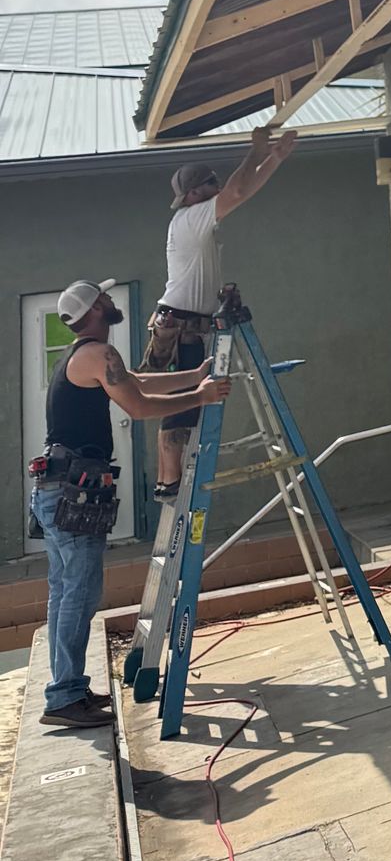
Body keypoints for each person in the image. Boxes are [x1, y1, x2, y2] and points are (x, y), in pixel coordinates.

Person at [35, 279, 230, 729]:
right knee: (77, 594)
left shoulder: (85, 357)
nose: (109, 300)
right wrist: (199, 398)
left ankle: (68, 689)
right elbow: (138, 407)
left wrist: (192, 376)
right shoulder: (98, 354)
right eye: (103, 297)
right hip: (70, 491)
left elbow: (137, 381)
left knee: (66, 591)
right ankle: (64, 697)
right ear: (96, 308)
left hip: (58, 488)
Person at [146, 128, 299, 496]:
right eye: (211, 184)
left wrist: (273, 158)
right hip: (181, 325)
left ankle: (170, 481)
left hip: (186, 322)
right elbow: (237, 191)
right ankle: (169, 484)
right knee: (179, 407)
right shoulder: (191, 217)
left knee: (185, 402)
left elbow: (240, 193)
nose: (217, 190)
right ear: (197, 192)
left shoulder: (196, 219)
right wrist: (259, 151)